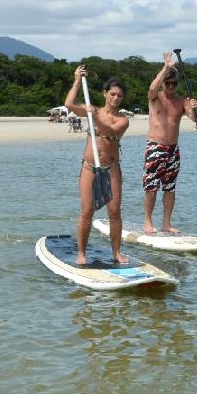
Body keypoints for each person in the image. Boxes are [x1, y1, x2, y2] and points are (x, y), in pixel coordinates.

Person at [64, 65, 130, 266]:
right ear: (105, 94)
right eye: (112, 94)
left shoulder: (123, 120)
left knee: (114, 212)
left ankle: (117, 253)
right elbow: (68, 104)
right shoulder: (94, 110)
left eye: (119, 95)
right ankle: (81, 253)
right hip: (90, 168)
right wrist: (77, 80)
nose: (116, 98)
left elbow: (109, 129)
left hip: (111, 170)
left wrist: (94, 116)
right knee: (87, 212)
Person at [142, 52, 197, 234]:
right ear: (164, 82)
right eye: (168, 83)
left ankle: (166, 223)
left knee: (170, 188)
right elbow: (151, 88)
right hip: (155, 147)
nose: (171, 87)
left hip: (173, 150)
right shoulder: (155, 97)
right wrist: (165, 68)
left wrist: (193, 109)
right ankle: (148, 222)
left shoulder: (181, 101)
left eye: (174, 84)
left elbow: (192, 118)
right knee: (151, 188)